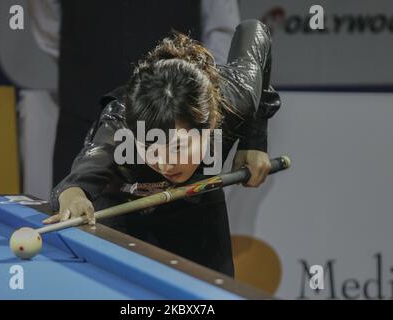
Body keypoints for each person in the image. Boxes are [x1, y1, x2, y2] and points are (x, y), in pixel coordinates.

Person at [44, 20, 281, 277]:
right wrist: (75, 199)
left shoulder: (235, 96)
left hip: (197, 203)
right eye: (150, 147)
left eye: (178, 147)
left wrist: (254, 141)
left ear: (210, 124)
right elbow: (75, 184)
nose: (167, 164)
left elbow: (254, 30)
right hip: (123, 209)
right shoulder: (118, 125)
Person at [28, 0, 241, 188]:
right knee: (73, 210)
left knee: (177, 225)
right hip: (84, 108)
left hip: (178, 116)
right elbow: (47, 20)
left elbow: (223, 28)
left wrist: (199, 91)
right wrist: (87, 62)